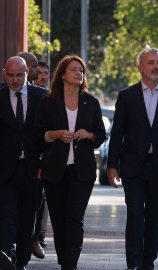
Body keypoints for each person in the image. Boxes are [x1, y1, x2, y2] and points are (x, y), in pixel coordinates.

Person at [107, 47, 158, 270]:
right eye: (151, 63)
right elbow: (117, 132)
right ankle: (133, 263)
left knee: (153, 216)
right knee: (135, 214)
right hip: (133, 166)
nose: (156, 67)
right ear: (140, 67)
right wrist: (112, 165)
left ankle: (148, 262)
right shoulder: (126, 96)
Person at [33, 55, 106, 270]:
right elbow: (37, 135)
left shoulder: (90, 102)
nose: (78, 73)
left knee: (74, 218)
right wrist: (54, 134)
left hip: (82, 172)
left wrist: (90, 135)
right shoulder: (48, 102)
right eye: (73, 69)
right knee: (59, 219)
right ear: (63, 74)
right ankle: (65, 260)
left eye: (81, 70)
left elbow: (101, 136)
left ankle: (70, 264)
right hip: (54, 171)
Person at [0, 56, 47, 270]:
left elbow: (48, 134)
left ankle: (21, 262)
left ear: (27, 72)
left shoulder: (42, 97)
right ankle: (6, 257)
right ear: (4, 73)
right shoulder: (0, 96)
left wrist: (43, 165)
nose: (15, 80)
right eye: (10, 75)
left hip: (33, 168)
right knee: (6, 214)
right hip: (5, 169)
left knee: (28, 218)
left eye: (19, 75)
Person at [31, 61, 50, 259]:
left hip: (39, 159)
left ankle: (35, 237)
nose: (43, 76)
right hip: (13, 159)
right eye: (39, 73)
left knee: (38, 199)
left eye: (46, 73)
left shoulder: (48, 98)